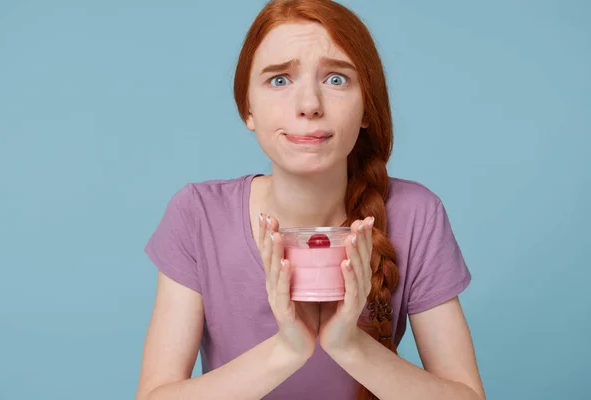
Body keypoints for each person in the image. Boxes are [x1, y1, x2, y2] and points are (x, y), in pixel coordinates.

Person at [135, 1, 485, 399]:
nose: (309, 105)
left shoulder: (415, 214)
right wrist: (287, 349)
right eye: (279, 80)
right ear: (247, 107)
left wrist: (350, 345)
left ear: (367, 107)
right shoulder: (198, 216)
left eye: (336, 80)